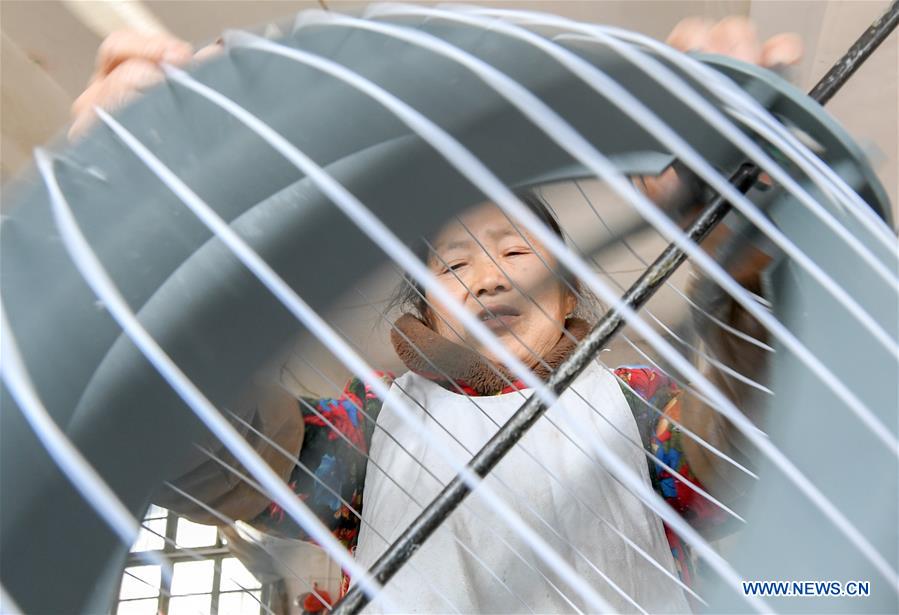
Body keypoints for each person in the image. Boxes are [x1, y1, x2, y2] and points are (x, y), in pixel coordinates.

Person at [72, 14, 802, 613]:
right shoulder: (368, 425)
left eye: (516, 253)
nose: (484, 279)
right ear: (426, 308)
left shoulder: (640, 403)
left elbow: (734, 452)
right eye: (453, 266)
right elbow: (219, 455)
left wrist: (737, 259)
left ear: (568, 297)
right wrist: (134, 257)